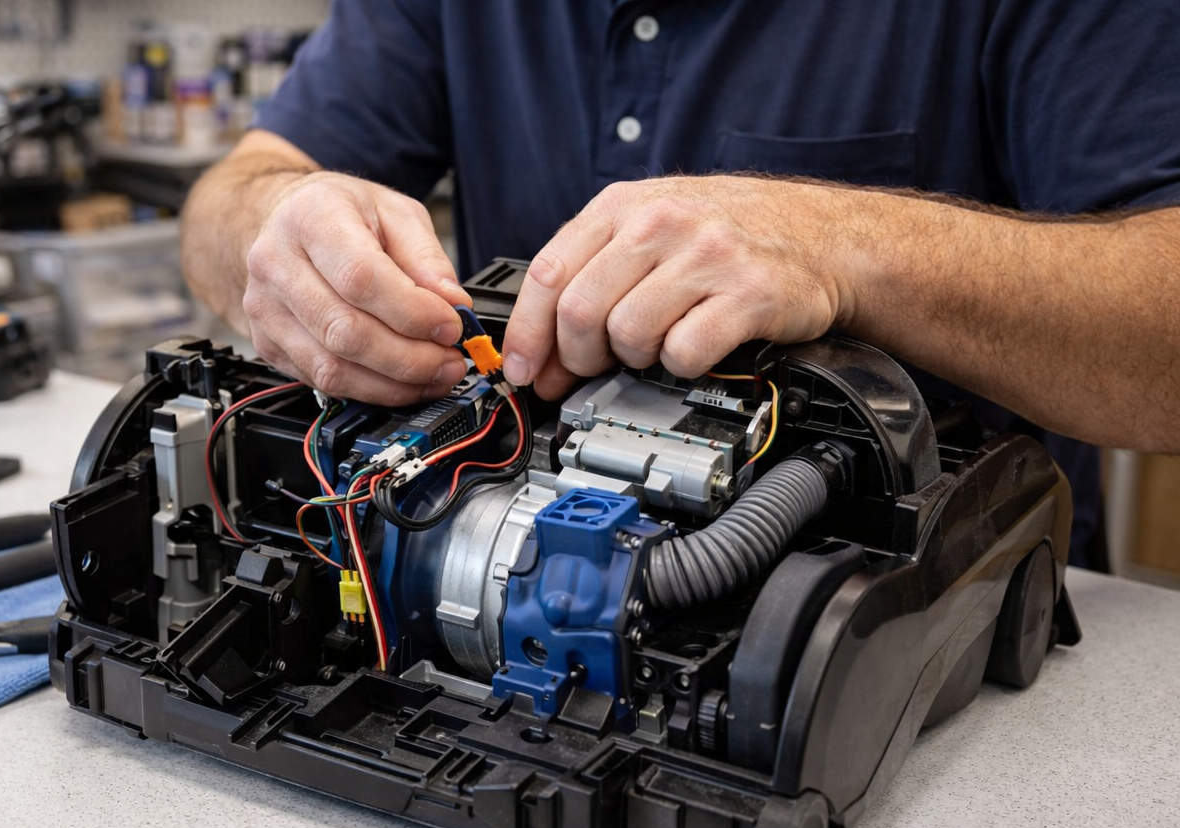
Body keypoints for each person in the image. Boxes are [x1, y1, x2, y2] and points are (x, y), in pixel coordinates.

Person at [180, 1, 1180, 568]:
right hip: (498, 580)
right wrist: (282, 227)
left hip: (936, 617)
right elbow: (228, 199)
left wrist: (841, 244)